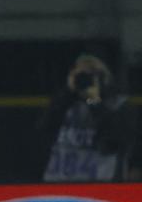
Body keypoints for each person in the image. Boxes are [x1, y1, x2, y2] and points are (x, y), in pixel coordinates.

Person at [39, 54, 137, 182]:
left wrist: (94, 101)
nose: (86, 78)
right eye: (81, 74)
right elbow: (44, 129)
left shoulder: (119, 104)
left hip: (101, 184)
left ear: (104, 77)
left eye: (92, 74)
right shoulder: (65, 102)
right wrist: (68, 92)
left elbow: (115, 140)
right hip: (59, 182)